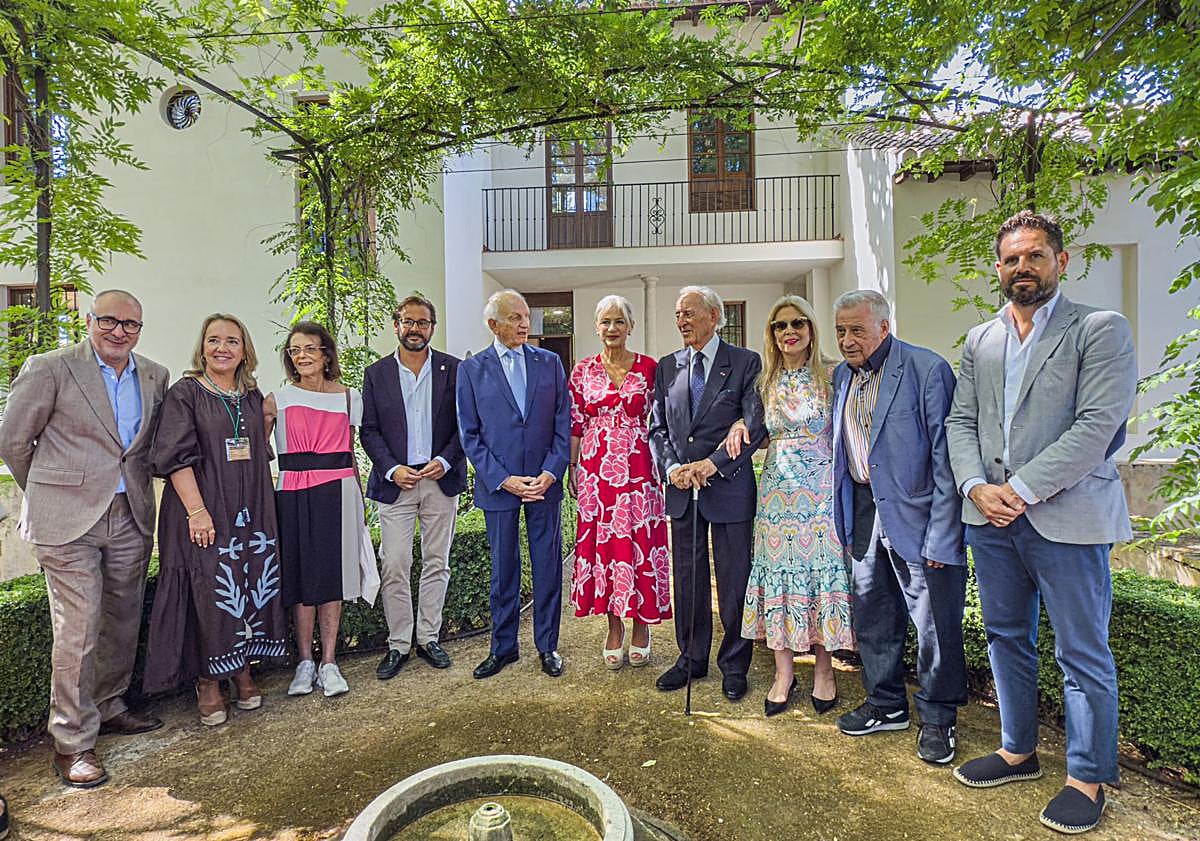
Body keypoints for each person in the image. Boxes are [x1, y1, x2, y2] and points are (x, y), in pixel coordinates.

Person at [946, 211, 1137, 835]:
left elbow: (1097, 427)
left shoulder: (1100, 330)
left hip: (1069, 515)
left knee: (1082, 651)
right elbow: (961, 423)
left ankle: (1087, 777)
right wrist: (976, 487)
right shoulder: (980, 339)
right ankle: (1017, 750)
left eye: (1034, 256)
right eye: (1010, 259)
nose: (1021, 267)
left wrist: (1020, 489)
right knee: (1005, 636)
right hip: (992, 518)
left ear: (1062, 260)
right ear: (997, 268)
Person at [0, 290, 168, 788]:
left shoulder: (154, 375)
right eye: (109, 321)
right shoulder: (50, 367)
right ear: (89, 320)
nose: (119, 331)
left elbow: (143, 448)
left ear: (140, 329)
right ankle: (72, 742)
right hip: (67, 521)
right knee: (79, 625)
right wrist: (52, 492)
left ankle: (111, 704)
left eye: (131, 325)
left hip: (130, 512)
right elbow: (13, 441)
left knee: (121, 616)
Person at [829, 290, 967, 766]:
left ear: (884, 327)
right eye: (841, 330)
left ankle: (938, 720)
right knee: (873, 615)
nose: (847, 340)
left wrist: (943, 533)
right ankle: (887, 704)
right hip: (866, 510)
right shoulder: (842, 378)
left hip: (920, 517)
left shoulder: (928, 370)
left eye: (857, 330)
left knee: (934, 626)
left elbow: (947, 462)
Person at [142, 314, 288, 726]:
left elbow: (254, 451)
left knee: (243, 583)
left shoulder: (251, 396)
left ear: (245, 350)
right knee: (206, 590)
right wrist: (198, 511)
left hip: (248, 512)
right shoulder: (185, 394)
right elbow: (174, 458)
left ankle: (241, 667)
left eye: (232, 341)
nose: (222, 348)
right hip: (201, 511)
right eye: (214, 340)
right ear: (202, 346)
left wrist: (268, 422)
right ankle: (208, 680)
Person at [725, 295, 853, 716]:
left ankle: (823, 671)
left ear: (811, 329)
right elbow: (756, 428)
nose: (789, 331)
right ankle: (783, 672)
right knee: (779, 576)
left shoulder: (834, 376)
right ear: (772, 334)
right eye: (780, 326)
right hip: (778, 495)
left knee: (817, 578)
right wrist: (742, 422)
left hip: (820, 495)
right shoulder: (765, 380)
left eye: (798, 323)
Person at [648, 285, 764, 701]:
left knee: (734, 582)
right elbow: (657, 428)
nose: (682, 321)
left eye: (690, 314)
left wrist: (713, 463)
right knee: (687, 579)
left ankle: (734, 663)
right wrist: (673, 467)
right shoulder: (667, 367)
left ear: (715, 317)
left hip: (728, 488)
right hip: (682, 489)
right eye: (679, 314)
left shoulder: (745, 363)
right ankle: (690, 658)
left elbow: (754, 425)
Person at [456, 289, 571, 679]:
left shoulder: (550, 362)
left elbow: (562, 423)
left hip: (543, 484)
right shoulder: (470, 371)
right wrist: (503, 479)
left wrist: (551, 472)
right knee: (503, 570)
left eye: (526, 316)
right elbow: (469, 435)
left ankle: (547, 646)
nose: (525, 323)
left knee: (547, 567)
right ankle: (503, 648)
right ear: (493, 324)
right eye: (515, 317)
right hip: (499, 486)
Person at [265, 321, 378, 698]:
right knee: (299, 579)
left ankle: (329, 661)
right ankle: (304, 661)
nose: (302, 356)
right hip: (293, 488)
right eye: (295, 350)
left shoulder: (349, 397)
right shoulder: (276, 399)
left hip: (339, 488)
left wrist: (359, 501)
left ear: (326, 353)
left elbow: (349, 450)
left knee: (332, 577)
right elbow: (256, 452)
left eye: (309, 348)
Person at [361, 296, 466, 679]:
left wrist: (446, 460)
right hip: (397, 484)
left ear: (432, 327)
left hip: (440, 479)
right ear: (395, 325)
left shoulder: (454, 369)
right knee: (395, 564)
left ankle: (429, 637)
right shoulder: (377, 374)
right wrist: (390, 469)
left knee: (437, 563)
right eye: (408, 321)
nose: (415, 328)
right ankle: (399, 643)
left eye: (423, 322)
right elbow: (368, 430)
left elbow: (464, 426)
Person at [567, 295, 671, 669]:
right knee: (606, 546)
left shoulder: (650, 368)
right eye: (605, 322)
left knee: (641, 542)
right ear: (596, 327)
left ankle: (642, 624)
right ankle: (614, 626)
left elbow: (661, 420)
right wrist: (574, 466)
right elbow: (576, 422)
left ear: (630, 327)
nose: (612, 328)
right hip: (597, 472)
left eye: (619, 322)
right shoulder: (581, 371)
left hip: (640, 468)